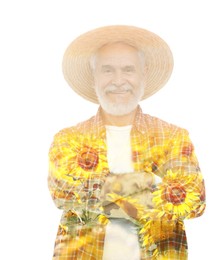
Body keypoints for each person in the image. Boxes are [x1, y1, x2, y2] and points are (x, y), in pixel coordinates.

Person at [47, 25, 206, 260]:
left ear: (144, 73)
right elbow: (63, 193)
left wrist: (102, 190)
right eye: (107, 70)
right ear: (94, 78)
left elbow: (194, 200)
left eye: (128, 69)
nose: (118, 80)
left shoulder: (172, 136)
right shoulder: (68, 139)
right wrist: (150, 182)